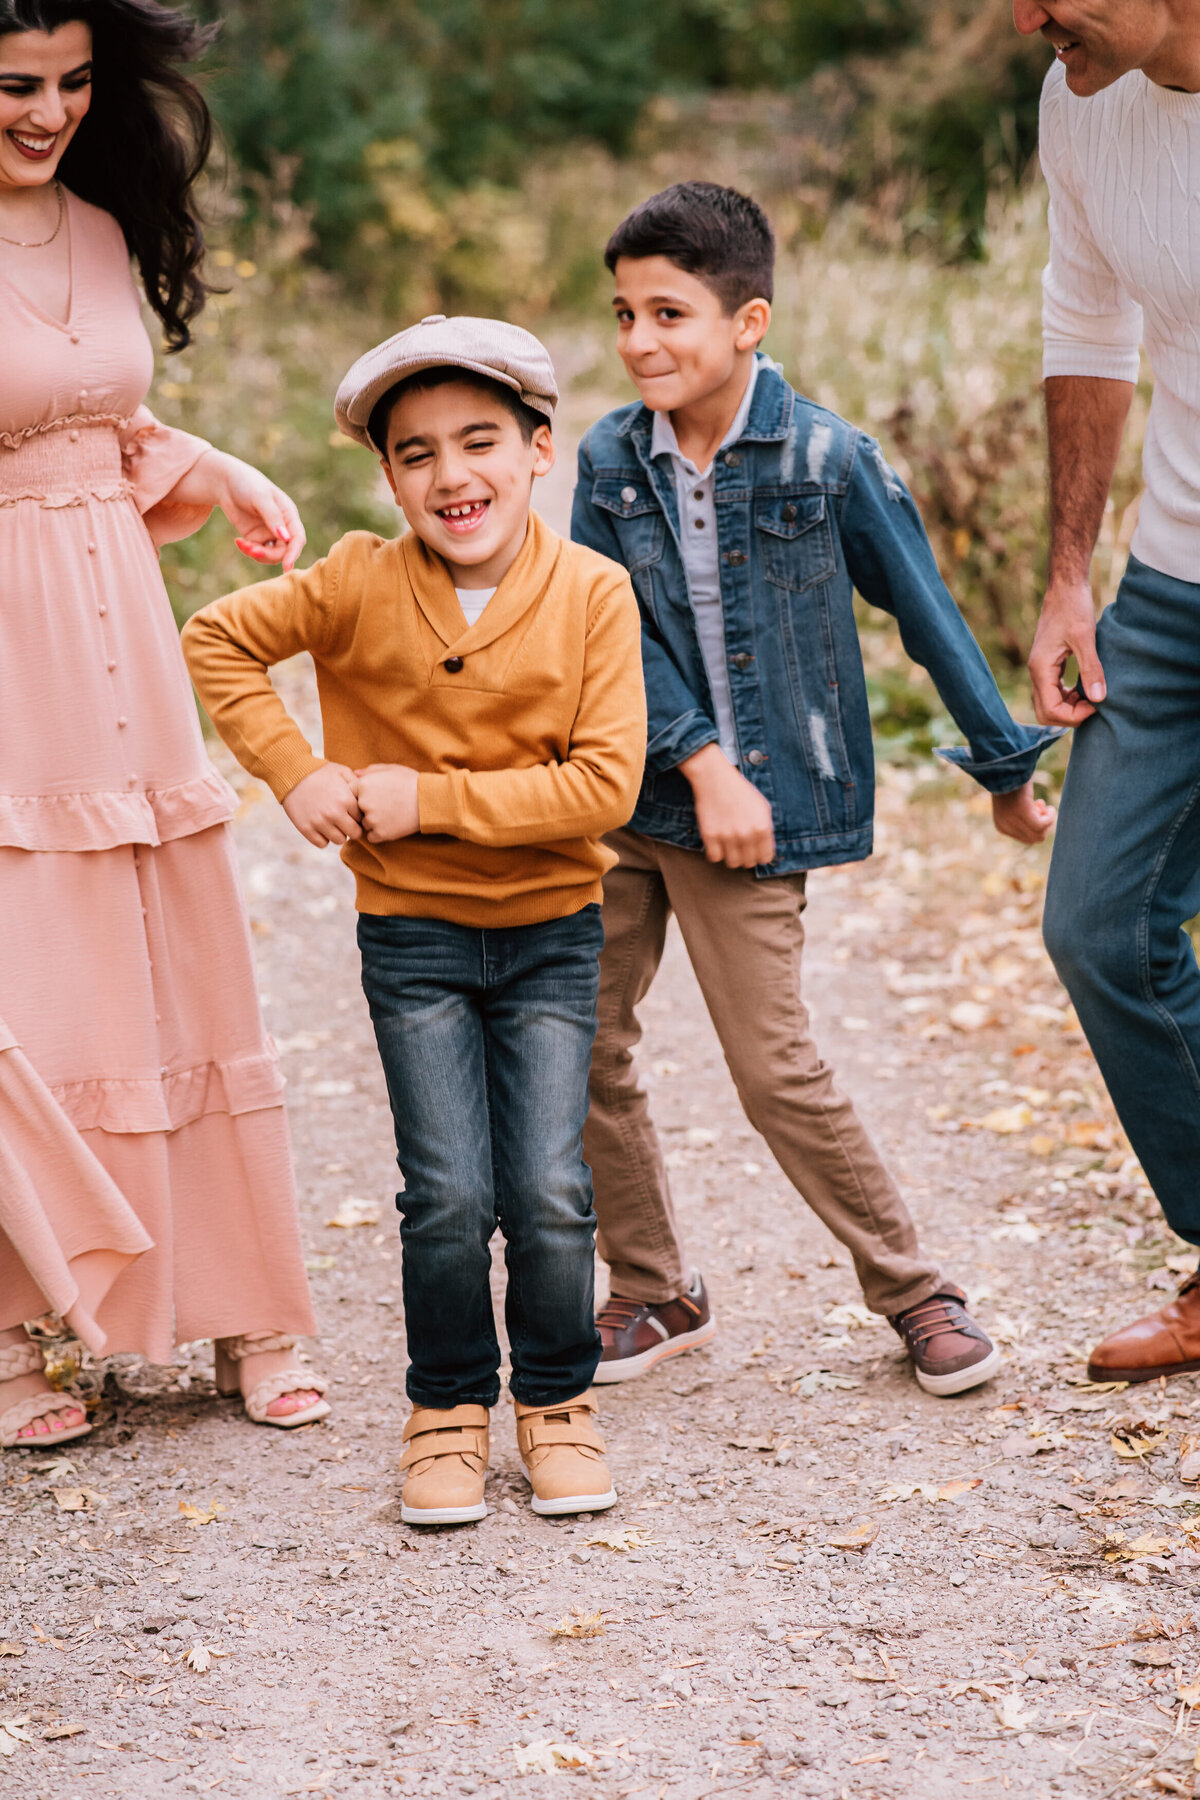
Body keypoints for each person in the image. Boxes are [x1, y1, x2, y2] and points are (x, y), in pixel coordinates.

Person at [571, 180, 1062, 1397]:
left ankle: (916, 1291)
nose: (640, 342)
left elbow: (928, 615)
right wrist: (692, 757)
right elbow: (599, 630)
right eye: (625, 314)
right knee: (579, 1041)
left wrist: (1002, 769)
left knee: (775, 1071)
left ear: (749, 322)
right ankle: (652, 1289)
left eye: (669, 314)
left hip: (754, 821)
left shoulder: (829, 457)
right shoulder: (606, 458)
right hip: (626, 798)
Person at [182, 315, 646, 1524]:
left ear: (543, 449)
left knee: (547, 1188)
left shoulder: (594, 595)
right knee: (446, 1193)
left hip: (552, 933)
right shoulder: (357, 584)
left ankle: (556, 1405)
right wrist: (295, 771)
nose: (453, 475)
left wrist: (419, 795)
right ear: (388, 477)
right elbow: (219, 638)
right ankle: (445, 1411)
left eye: (480, 440)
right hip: (415, 938)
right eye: (418, 453)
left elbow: (605, 786)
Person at [0, 0, 330, 1451]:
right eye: (15, 86)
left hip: (120, 623)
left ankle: (249, 1314)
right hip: (11, 653)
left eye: (72, 83)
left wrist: (221, 465)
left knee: (177, 950)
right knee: (39, 973)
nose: (46, 111)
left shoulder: (98, 230)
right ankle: (17, 1338)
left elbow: (104, 428)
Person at [1012, 2, 1200, 1394]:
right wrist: (1070, 573)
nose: (1028, 18)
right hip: (1175, 589)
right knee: (1099, 926)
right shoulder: (1084, 101)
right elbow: (1089, 320)